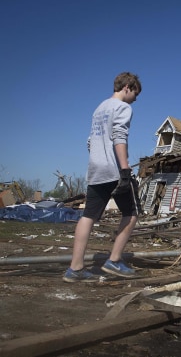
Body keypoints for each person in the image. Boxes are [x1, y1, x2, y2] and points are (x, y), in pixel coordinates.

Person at [63, 72, 143, 282]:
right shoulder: (123, 107)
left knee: (88, 216)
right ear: (127, 87)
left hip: (96, 170)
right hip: (114, 170)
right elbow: (119, 136)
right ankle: (114, 260)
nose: (135, 98)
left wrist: (99, 158)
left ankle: (75, 269)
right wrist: (125, 170)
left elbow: (90, 142)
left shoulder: (99, 108)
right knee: (132, 212)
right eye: (135, 93)